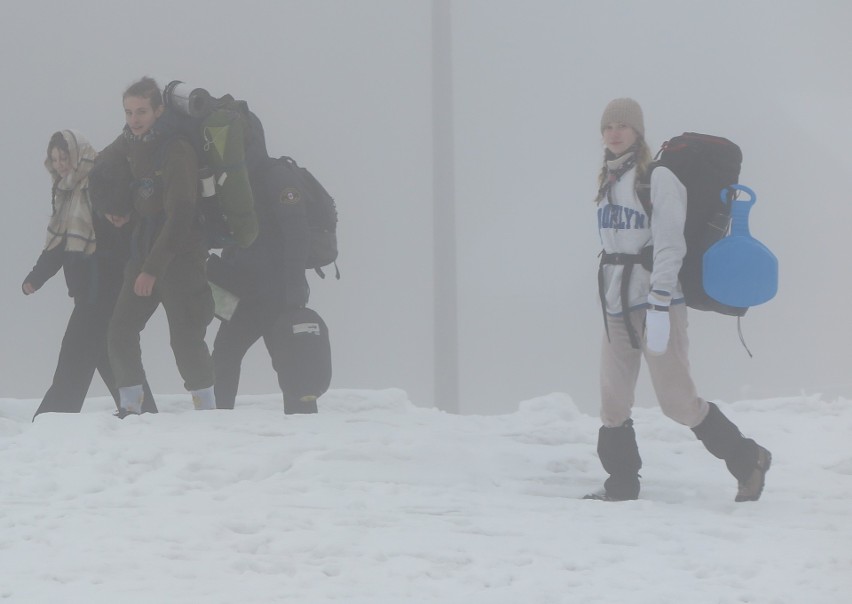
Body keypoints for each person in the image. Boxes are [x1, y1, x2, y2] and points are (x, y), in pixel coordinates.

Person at [587, 98, 771, 502]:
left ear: (638, 132)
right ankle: (621, 484)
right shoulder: (608, 181)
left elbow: (670, 245)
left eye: (623, 125)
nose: (615, 132)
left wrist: (659, 303)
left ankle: (748, 457)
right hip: (615, 303)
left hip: (657, 303)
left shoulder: (658, 178)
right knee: (612, 401)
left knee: (678, 403)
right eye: (608, 126)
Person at [98, 77, 215, 415]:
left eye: (142, 111)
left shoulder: (176, 149)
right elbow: (103, 168)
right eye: (128, 112)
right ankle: (131, 409)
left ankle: (207, 410)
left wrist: (152, 269)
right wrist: (110, 207)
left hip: (180, 258)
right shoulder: (128, 143)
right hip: (142, 252)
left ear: (159, 110)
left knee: (186, 339)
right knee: (119, 330)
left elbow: (181, 215)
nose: (134, 119)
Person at [23, 130, 157, 419]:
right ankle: (143, 412)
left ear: (76, 153)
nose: (59, 164)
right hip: (87, 289)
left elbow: (119, 229)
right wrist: (36, 277)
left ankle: (52, 419)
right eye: (55, 158)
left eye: (64, 156)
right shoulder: (65, 192)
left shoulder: (98, 182)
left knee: (75, 352)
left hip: (103, 286)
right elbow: (59, 244)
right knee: (106, 354)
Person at [210, 112, 330, 414]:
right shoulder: (234, 181)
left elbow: (297, 234)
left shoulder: (277, 176)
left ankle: (306, 430)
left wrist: (294, 287)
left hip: (279, 293)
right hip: (247, 291)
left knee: (293, 362)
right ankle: (217, 425)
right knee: (225, 355)